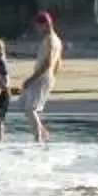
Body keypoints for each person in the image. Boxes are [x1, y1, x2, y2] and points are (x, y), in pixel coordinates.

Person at [17, 10, 65, 145]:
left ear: (44, 24)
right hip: (46, 77)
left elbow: (49, 62)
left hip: (42, 77)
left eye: (38, 26)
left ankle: (38, 138)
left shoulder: (50, 40)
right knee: (23, 104)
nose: (37, 29)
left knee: (30, 108)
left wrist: (31, 79)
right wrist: (53, 77)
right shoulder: (57, 40)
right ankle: (42, 132)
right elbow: (59, 62)